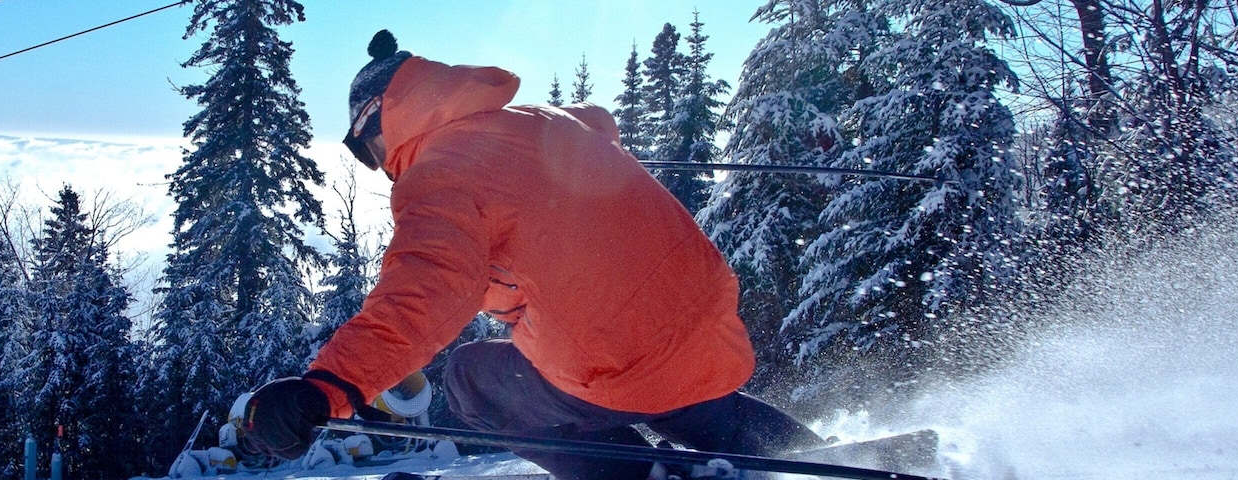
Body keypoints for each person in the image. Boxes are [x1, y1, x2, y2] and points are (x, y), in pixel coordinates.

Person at [240, 30, 827, 480]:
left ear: (381, 123)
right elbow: (599, 125)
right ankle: (793, 449)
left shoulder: (439, 172)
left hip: (617, 360)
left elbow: (428, 287)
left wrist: (332, 385)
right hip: (713, 329)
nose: (380, 166)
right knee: (656, 369)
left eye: (369, 151)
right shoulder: (541, 123)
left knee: (472, 377)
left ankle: (634, 473)